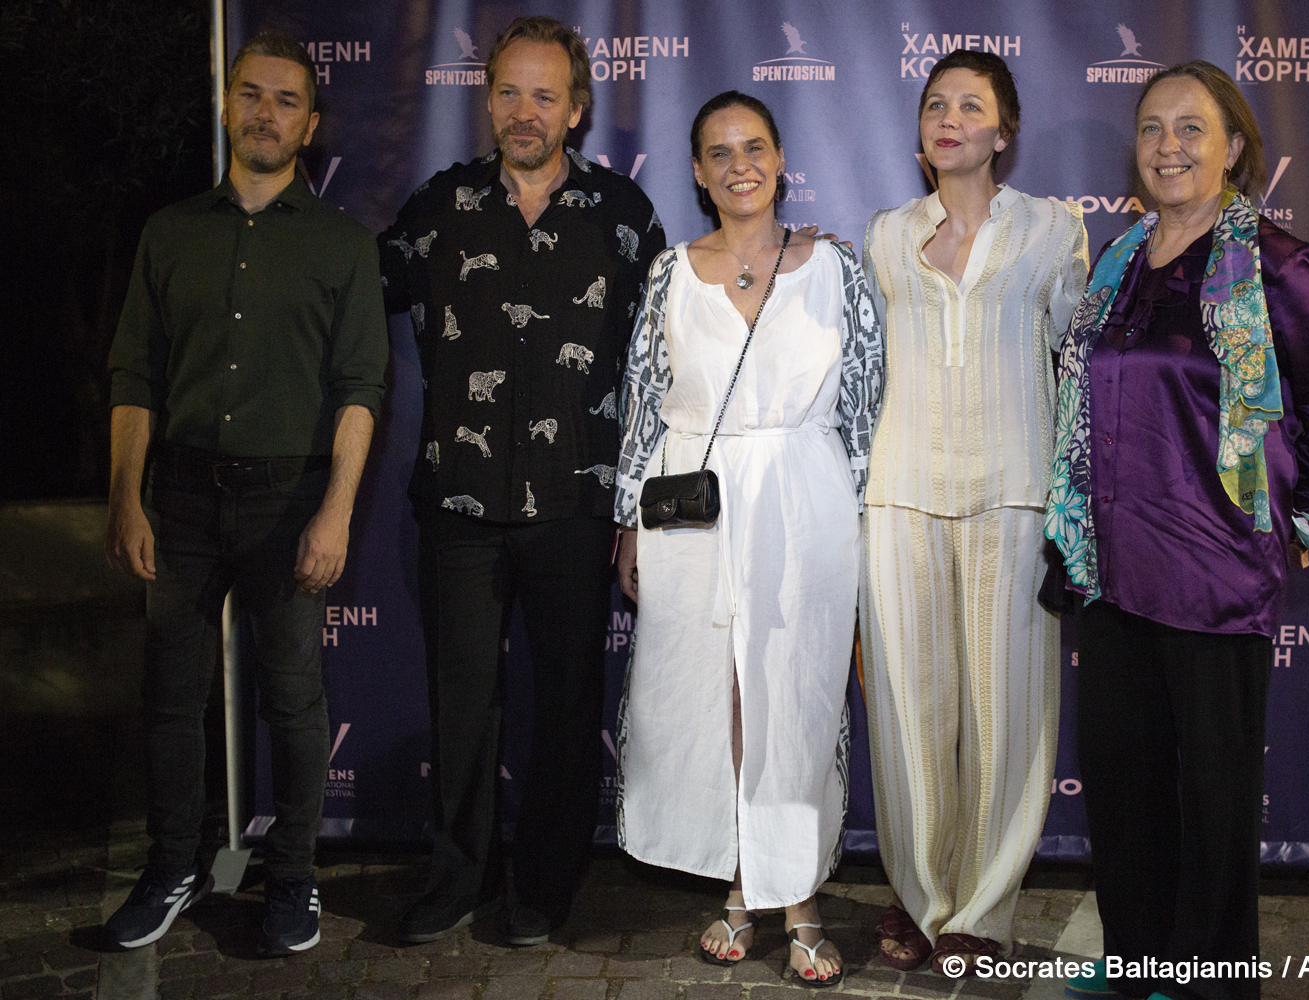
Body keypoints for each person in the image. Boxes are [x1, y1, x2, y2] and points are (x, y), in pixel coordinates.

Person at [1049, 62, 1309, 1000]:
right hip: (1109, 567)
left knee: (1213, 796)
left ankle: (1209, 979)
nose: (1168, 147)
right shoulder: (1117, 262)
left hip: (1215, 573)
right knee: (1125, 782)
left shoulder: (1272, 263)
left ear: (1233, 147)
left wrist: (1307, 505)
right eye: (1152, 129)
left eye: (1191, 128)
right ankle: (1138, 960)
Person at [378, 16, 665, 947]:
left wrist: (786, 257)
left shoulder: (624, 217)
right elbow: (347, 291)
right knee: (462, 706)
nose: (524, 111)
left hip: (575, 509)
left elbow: (669, 359)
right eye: (508, 91)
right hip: (457, 504)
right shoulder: (439, 207)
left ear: (577, 109)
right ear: (487, 98)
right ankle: (456, 880)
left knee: (569, 706)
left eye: (545, 94)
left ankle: (544, 886)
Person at [103, 32, 387, 956]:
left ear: (310, 123)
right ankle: (171, 868)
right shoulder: (170, 231)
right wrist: (126, 496)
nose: (267, 113)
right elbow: (135, 373)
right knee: (170, 698)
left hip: (289, 499)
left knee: (295, 700)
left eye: (286, 100)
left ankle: (294, 878)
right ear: (227, 106)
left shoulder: (344, 245)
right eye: (252, 94)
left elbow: (360, 388)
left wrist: (336, 512)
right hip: (178, 497)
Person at [612, 91, 883, 987]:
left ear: (780, 159)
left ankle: (797, 897)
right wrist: (627, 522)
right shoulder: (668, 275)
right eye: (720, 152)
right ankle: (738, 883)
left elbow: (865, 402)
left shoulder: (835, 268)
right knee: (715, 700)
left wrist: (864, 519)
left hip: (805, 502)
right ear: (697, 171)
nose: (740, 166)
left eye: (754, 147)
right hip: (693, 513)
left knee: (795, 701)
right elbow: (644, 403)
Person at [858, 50, 1087, 974]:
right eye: (935, 104)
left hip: (1014, 494)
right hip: (898, 493)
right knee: (906, 712)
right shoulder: (883, 236)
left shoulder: (1053, 229)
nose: (949, 119)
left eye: (970, 106)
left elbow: (1076, 359)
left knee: (1008, 712)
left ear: (1004, 131)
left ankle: (984, 911)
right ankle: (920, 897)